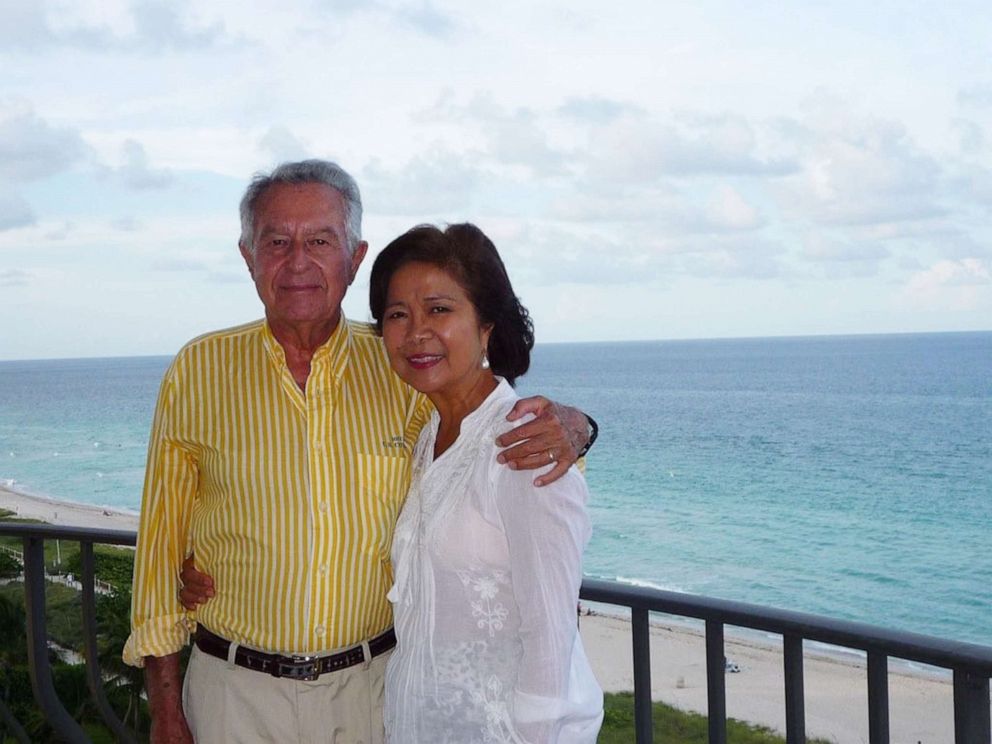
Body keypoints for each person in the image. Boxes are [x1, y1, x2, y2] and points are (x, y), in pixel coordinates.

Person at [123, 160, 595, 744]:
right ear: (248, 256)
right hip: (231, 695)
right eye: (277, 242)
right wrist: (165, 712)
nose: (298, 262)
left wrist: (579, 427)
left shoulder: (401, 367)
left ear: (354, 258)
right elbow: (159, 556)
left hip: (374, 695)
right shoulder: (197, 372)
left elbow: (493, 438)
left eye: (320, 240)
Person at [371, 223, 603, 742]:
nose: (416, 333)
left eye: (439, 309)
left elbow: (550, 633)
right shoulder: (428, 437)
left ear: (486, 328)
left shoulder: (527, 445)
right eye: (397, 315)